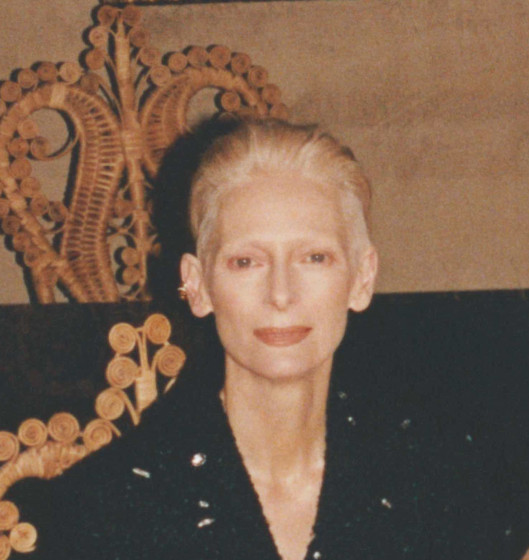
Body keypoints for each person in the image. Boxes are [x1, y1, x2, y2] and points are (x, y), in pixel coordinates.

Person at [18, 119, 494, 559]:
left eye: (314, 258)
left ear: (362, 278)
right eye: (246, 262)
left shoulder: (437, 486)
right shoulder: (100, 510)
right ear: (198, 286)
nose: (281, 294)